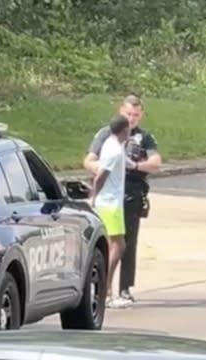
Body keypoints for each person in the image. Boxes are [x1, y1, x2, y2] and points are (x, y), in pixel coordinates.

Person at [84, 94, 162, 306]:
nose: (132, 118)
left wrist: (136, 166)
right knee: (113, 243)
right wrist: (100, 170)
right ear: (121, 111)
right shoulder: (106, 135)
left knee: (128, 243)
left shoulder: (144, 137)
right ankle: (104, 289)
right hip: (111, 196)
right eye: (128, 114)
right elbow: (90, 161)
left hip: (132, 194)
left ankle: (124, 288)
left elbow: (156, 162)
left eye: (136, 115)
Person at [90, 115, 130, 308]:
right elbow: (101, 176)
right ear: (124, 130)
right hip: (109, 203)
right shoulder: (114, 150)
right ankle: (106, 290)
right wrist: (94, 197)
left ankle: (106, 289)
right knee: (118, 245)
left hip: (112, 202)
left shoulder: (113, 144)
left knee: (116, 244)